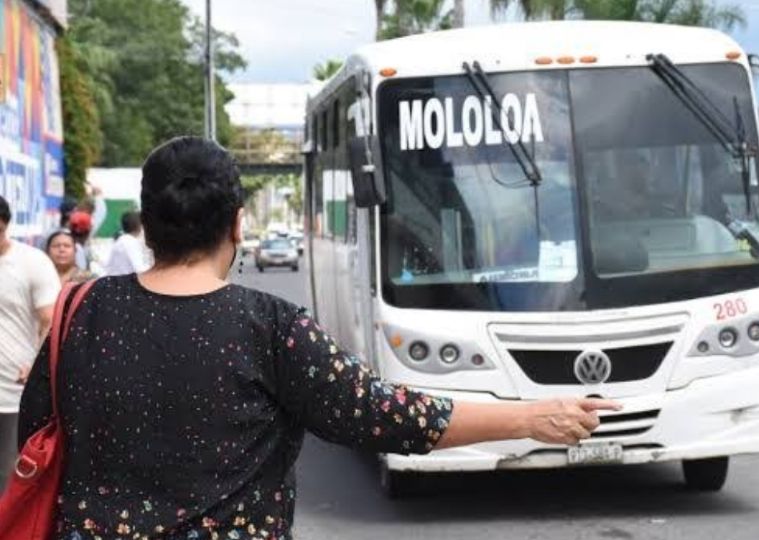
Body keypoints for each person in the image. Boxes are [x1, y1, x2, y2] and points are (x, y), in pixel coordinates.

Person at [18, 137, 619, 539]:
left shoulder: (81, 310)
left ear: (147, 225)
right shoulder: (270, 328)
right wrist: (530, 418)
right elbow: (389, 417)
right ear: (236, 224)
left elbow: (34, 435)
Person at [0, 195, 61, 492]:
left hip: (12, 391)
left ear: (5, 225)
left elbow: (50, 321)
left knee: (8, 478)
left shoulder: (31, 263)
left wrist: (35, 365)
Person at [104, 210, 151, 276]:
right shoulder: (130, 242)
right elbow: (140, 269)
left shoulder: (123, 240)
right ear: (139, 226)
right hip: (122, 281)